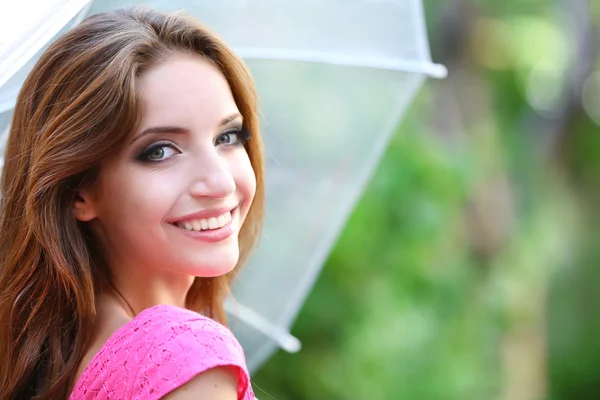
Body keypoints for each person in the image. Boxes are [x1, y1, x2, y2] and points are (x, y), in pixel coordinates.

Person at [0, 7, 264, 400]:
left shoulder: (54, 360)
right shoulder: (182, 358)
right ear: (80, 192)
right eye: (160, 151)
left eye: (227, 137)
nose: (220, 182)